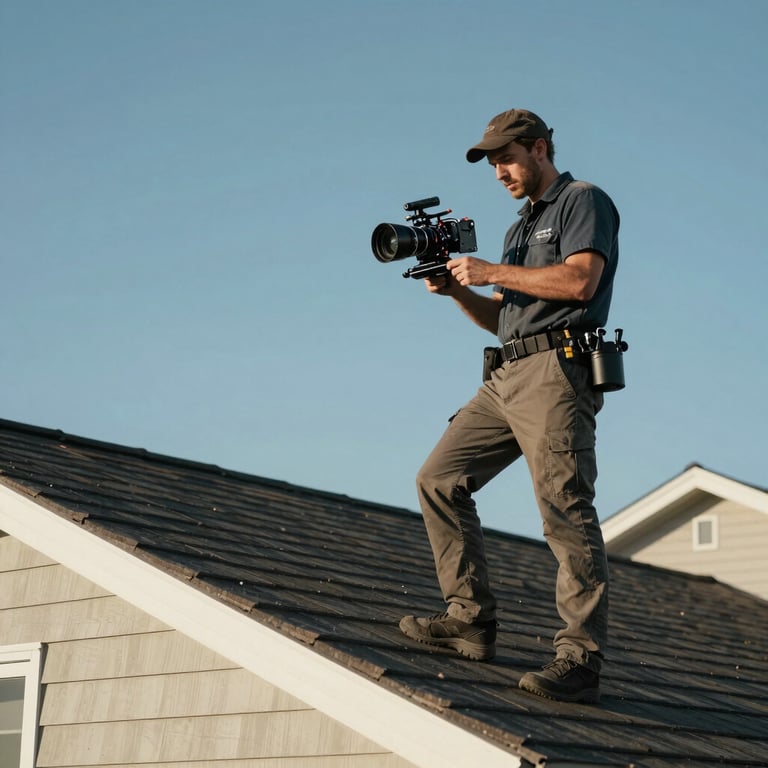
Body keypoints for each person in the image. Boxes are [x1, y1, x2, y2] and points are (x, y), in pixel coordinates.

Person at [398, 108, 619, 704]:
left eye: (507, 158)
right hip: (508, 371)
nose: (498, 171)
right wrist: (458, 291)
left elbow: (579, 284)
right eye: (492, 162)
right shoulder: (521, 226)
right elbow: (504, 319)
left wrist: (492, 269)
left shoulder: (583, 200)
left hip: (557, 372)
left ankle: (579, 660)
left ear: (540, 148)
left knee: (564, 511)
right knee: (438, 478)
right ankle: (470, 619)